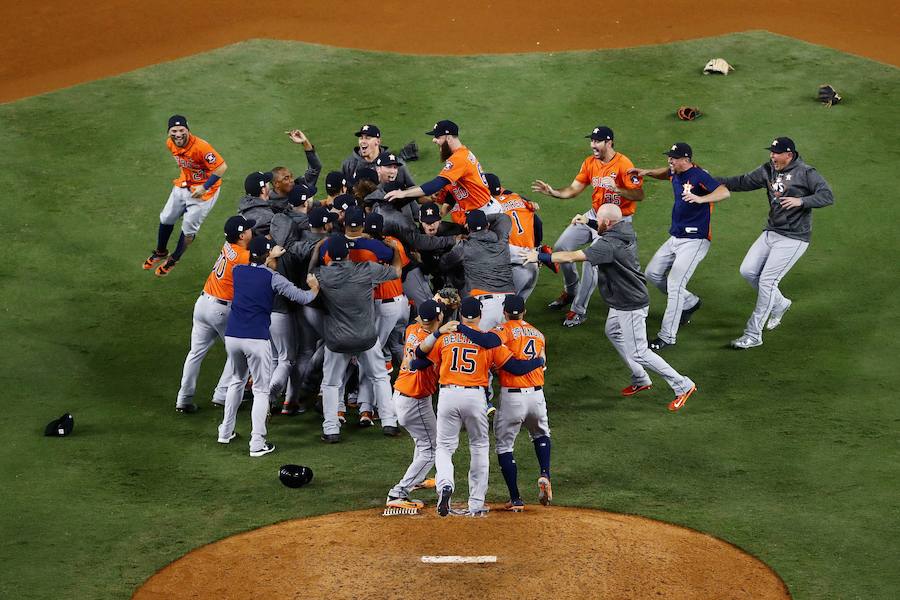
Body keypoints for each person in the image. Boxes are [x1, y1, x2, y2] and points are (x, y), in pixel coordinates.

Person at [527, 205, 696, 411]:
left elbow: (572, 256)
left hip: (630, 303)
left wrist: (540, 257)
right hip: (622, 298)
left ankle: (683, 384)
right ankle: (641, 378)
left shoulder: (608, 245)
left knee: (639, 352)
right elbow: (604, 228)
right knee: (613, 331)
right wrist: (588, 221)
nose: (596, 222)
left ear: (607, 223)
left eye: (598, 220)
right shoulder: (626, 229)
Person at [410, 297, 544, 517]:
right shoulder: (488, 341)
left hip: (448, 395)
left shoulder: (446, 338)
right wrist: (538, 362)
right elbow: (516, 367)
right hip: (475, 397)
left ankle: (445, 484)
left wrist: (426, 350)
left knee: (444, 447)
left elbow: (420, 359)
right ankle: (476, 503)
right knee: (479, 446)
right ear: (480, 316)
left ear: (461, 315)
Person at [707, 137, 834, 349]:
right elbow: (742, 182)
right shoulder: (768, 170)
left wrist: (802, 201)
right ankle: (780, 303)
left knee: (767, 281)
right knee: (748, 271)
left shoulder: (806, 172)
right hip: (772, 232)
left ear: (789, 155)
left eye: (776, 153)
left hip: (794, 238)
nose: (772, 156)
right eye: (771, 152)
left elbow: (827, 195)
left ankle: (753, 334)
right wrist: (710, 180)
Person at [531, 125, 644, 327]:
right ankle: (571, 290)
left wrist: (618, 189)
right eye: (591, 140)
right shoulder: (590, 162)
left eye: (597, 141)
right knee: (562, 246)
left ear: (609, 142)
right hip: (594, 215)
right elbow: (574, 189)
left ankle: (578, 310)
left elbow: (639, 194)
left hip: (615, 222)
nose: (592, 145)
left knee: (590, 262)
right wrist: (553, 192)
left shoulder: (624, 164)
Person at [217, 236, 320, 457]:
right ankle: (257, 442)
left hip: (233, 336)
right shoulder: (273, 277)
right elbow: (302, 298)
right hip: (256, 339)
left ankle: (225, 431)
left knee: (237, 380)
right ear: (267, 255)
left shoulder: (237, 270)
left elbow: (254, 268)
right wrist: (314, 289)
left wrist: (266, 257)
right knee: (261, 390)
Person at [629, 142, 730, 350]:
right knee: (652, 273)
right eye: (670, 157)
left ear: (686, 159)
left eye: (674, 158)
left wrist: (701, 199)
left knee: (675, 285)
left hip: (695, 240)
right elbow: (666, 173)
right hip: (675, 237)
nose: (670, 160)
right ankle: (690, 302)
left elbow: (724, 192)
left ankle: (667, 336)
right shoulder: (675, 172)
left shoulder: (699, 175)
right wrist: (647, 172)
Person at [310, 235, 404, 442]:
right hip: (365, 337)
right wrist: (396, 250)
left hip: (337, 340)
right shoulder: (366, 269)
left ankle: (331, 429)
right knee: (380, 377)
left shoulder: (321, 274)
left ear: (329, 255)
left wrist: (316, 251)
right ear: (347, 253)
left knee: (331, 384)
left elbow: (309, 276)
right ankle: (389, 422)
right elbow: (397, 271)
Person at [174, 215, 254, 414]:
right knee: (239, 351)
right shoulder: (243, 256)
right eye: (248, 229)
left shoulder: (228, 246)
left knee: (195, 353)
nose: (252, 231)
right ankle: (222, 394)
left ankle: (183, 398)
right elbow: (264, 260)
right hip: (222, 310)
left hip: (202, 304)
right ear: (242, 236)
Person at [144, 115, 228, 277]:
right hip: (183, 185)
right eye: (174, 131)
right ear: (168, 132)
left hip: (204, 193)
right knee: (166, 218)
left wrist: (204, 187)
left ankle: (174, 258)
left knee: (189, 230)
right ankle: (161, 252)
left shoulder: (201, 147)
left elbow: (222, 167)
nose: (178, 134)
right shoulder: (170, 143)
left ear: (188, 130)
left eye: (181, 130)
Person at [385, 299, 446, 509]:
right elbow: (420, 361)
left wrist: (437, 300)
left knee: (423, 443)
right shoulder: (434, 342)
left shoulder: (412, 329)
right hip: (415, 400)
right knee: (432, 449)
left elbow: (423, 320)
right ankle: (398, 493)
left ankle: (417, 479)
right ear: (439, 318)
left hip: (401, 394)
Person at [384, 120, 499, 226]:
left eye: (438, 137)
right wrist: (442, 212)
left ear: (448, 138)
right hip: (481, 211)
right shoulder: (461, 154)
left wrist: (403, 193)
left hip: (486, 214)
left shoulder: (459, 158)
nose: (434, 140)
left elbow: (435, 185)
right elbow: (451, 192)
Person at [439, 210, 515, 331]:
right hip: (510, 304)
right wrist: (483, 219)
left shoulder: (464, 247)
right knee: (510, 342)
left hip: (485, 307)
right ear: (487, 225)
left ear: (468, 227)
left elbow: (444, 263)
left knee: (477, 342)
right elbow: (503, 217)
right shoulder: (502, 238)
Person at [485, 173, 555, 300]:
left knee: (502, 304)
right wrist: (537, 246)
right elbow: (538, 223)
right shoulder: (517, 198)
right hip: (532, 259)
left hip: (514, 264)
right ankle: (540, 251)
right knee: (519, 305)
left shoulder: (490, 208)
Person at [341, 123, 416, 188]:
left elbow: (411, 188)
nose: (363, 141)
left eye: (367, 138)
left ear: (378, 141)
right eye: (361, 138)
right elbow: (342, 189)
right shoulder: (349, 164)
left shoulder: (395, 163)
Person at [268, 129, 322, 212]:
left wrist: (305, 142)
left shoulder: (298, 188)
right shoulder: (268, 204)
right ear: (276, 184)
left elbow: (315, 168)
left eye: (291, 177)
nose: (292, 180)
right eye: (286, 178)